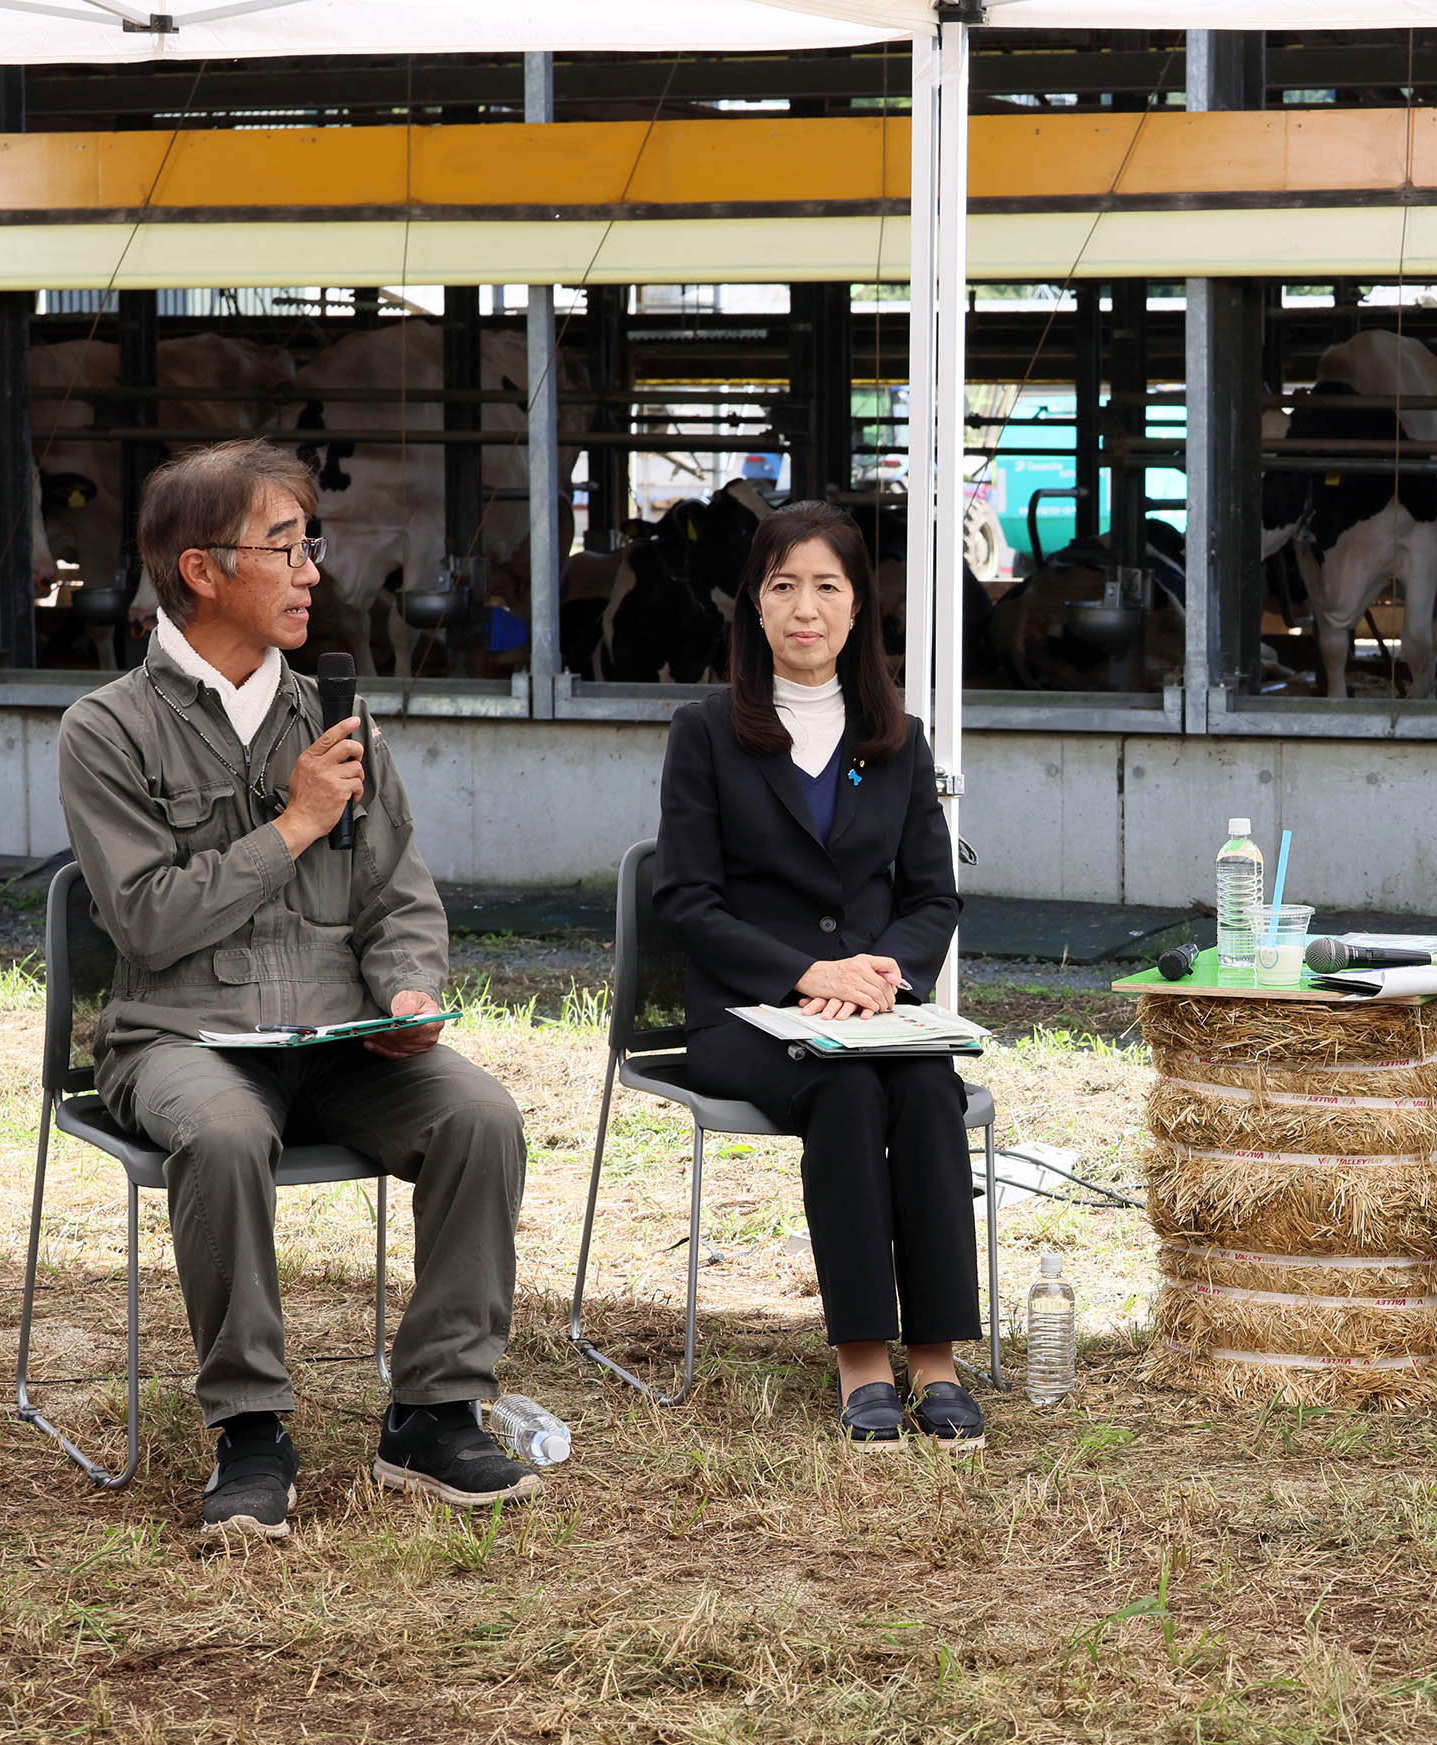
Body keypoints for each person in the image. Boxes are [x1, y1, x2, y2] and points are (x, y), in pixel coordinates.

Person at [56, 439, 537, 1541]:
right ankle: (251, 1427)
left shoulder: (340, 717)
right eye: (284, 546)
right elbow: (144, 919)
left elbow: (400, 900)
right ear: (201, 570)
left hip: (338, 1041)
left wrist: (412, 992)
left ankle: (434, 1405)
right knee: (222, 1136)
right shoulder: (106, 729)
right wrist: (294, 824)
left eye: (308, 543)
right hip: (180, 1037)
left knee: (481, 1114)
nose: (313, 568)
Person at [654, 499, 983, 1450]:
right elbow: (686, 901)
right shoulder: (705, 733)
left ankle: (937, 1357)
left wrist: (884, 975)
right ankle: (864, 1359)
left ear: (857, 608)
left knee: (926, 1084)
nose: (806, 607)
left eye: (827, 587)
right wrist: (808, 971)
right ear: (754, 605)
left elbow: (933, 900)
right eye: (783, 585)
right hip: (744, 1017)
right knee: (842, 1088)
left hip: (873, 1010)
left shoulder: (898, 738)